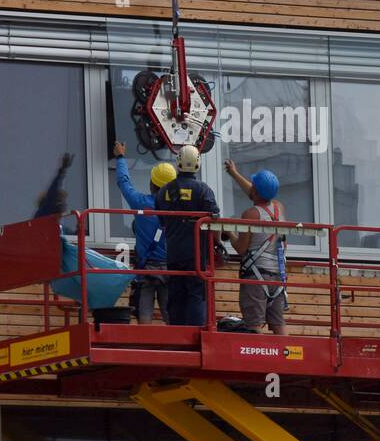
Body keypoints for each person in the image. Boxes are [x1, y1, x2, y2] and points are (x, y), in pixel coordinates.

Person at [155, 143, 219, 326]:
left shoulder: (163, 192)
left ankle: (177, 333)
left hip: (174, 253)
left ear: (178, 163)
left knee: (176, 294)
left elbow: (162, 221)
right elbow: (214, 220)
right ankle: (196, 334)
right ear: (198, 163)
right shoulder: (203, 191)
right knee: (196, 294)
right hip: (197, 255)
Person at [113, 140, 176, 323]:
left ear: (152, 184)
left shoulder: (141, 203)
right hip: (170, 270)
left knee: (144, 313)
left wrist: (120, 157)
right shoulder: (179, 209)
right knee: (171, 315)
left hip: (145, 267)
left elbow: (124, 183)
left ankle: (144, 348)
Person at [224, 160, 288, 334]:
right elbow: (256, 194)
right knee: (278, 324)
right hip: (277, 277)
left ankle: (258, 359)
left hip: (256, 278)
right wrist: (234, 174)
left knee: (254, 325)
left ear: (256, 191)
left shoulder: (249, 214)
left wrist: (229, 232)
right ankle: (287, 358)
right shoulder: (279, 208)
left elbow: (241, 248)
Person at [35, 152, 75, 220]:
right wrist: (63, 169)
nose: (63, 204)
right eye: (60, 200)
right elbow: (53, 188)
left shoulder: (57, 223)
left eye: (63, 201)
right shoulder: (45, 211)